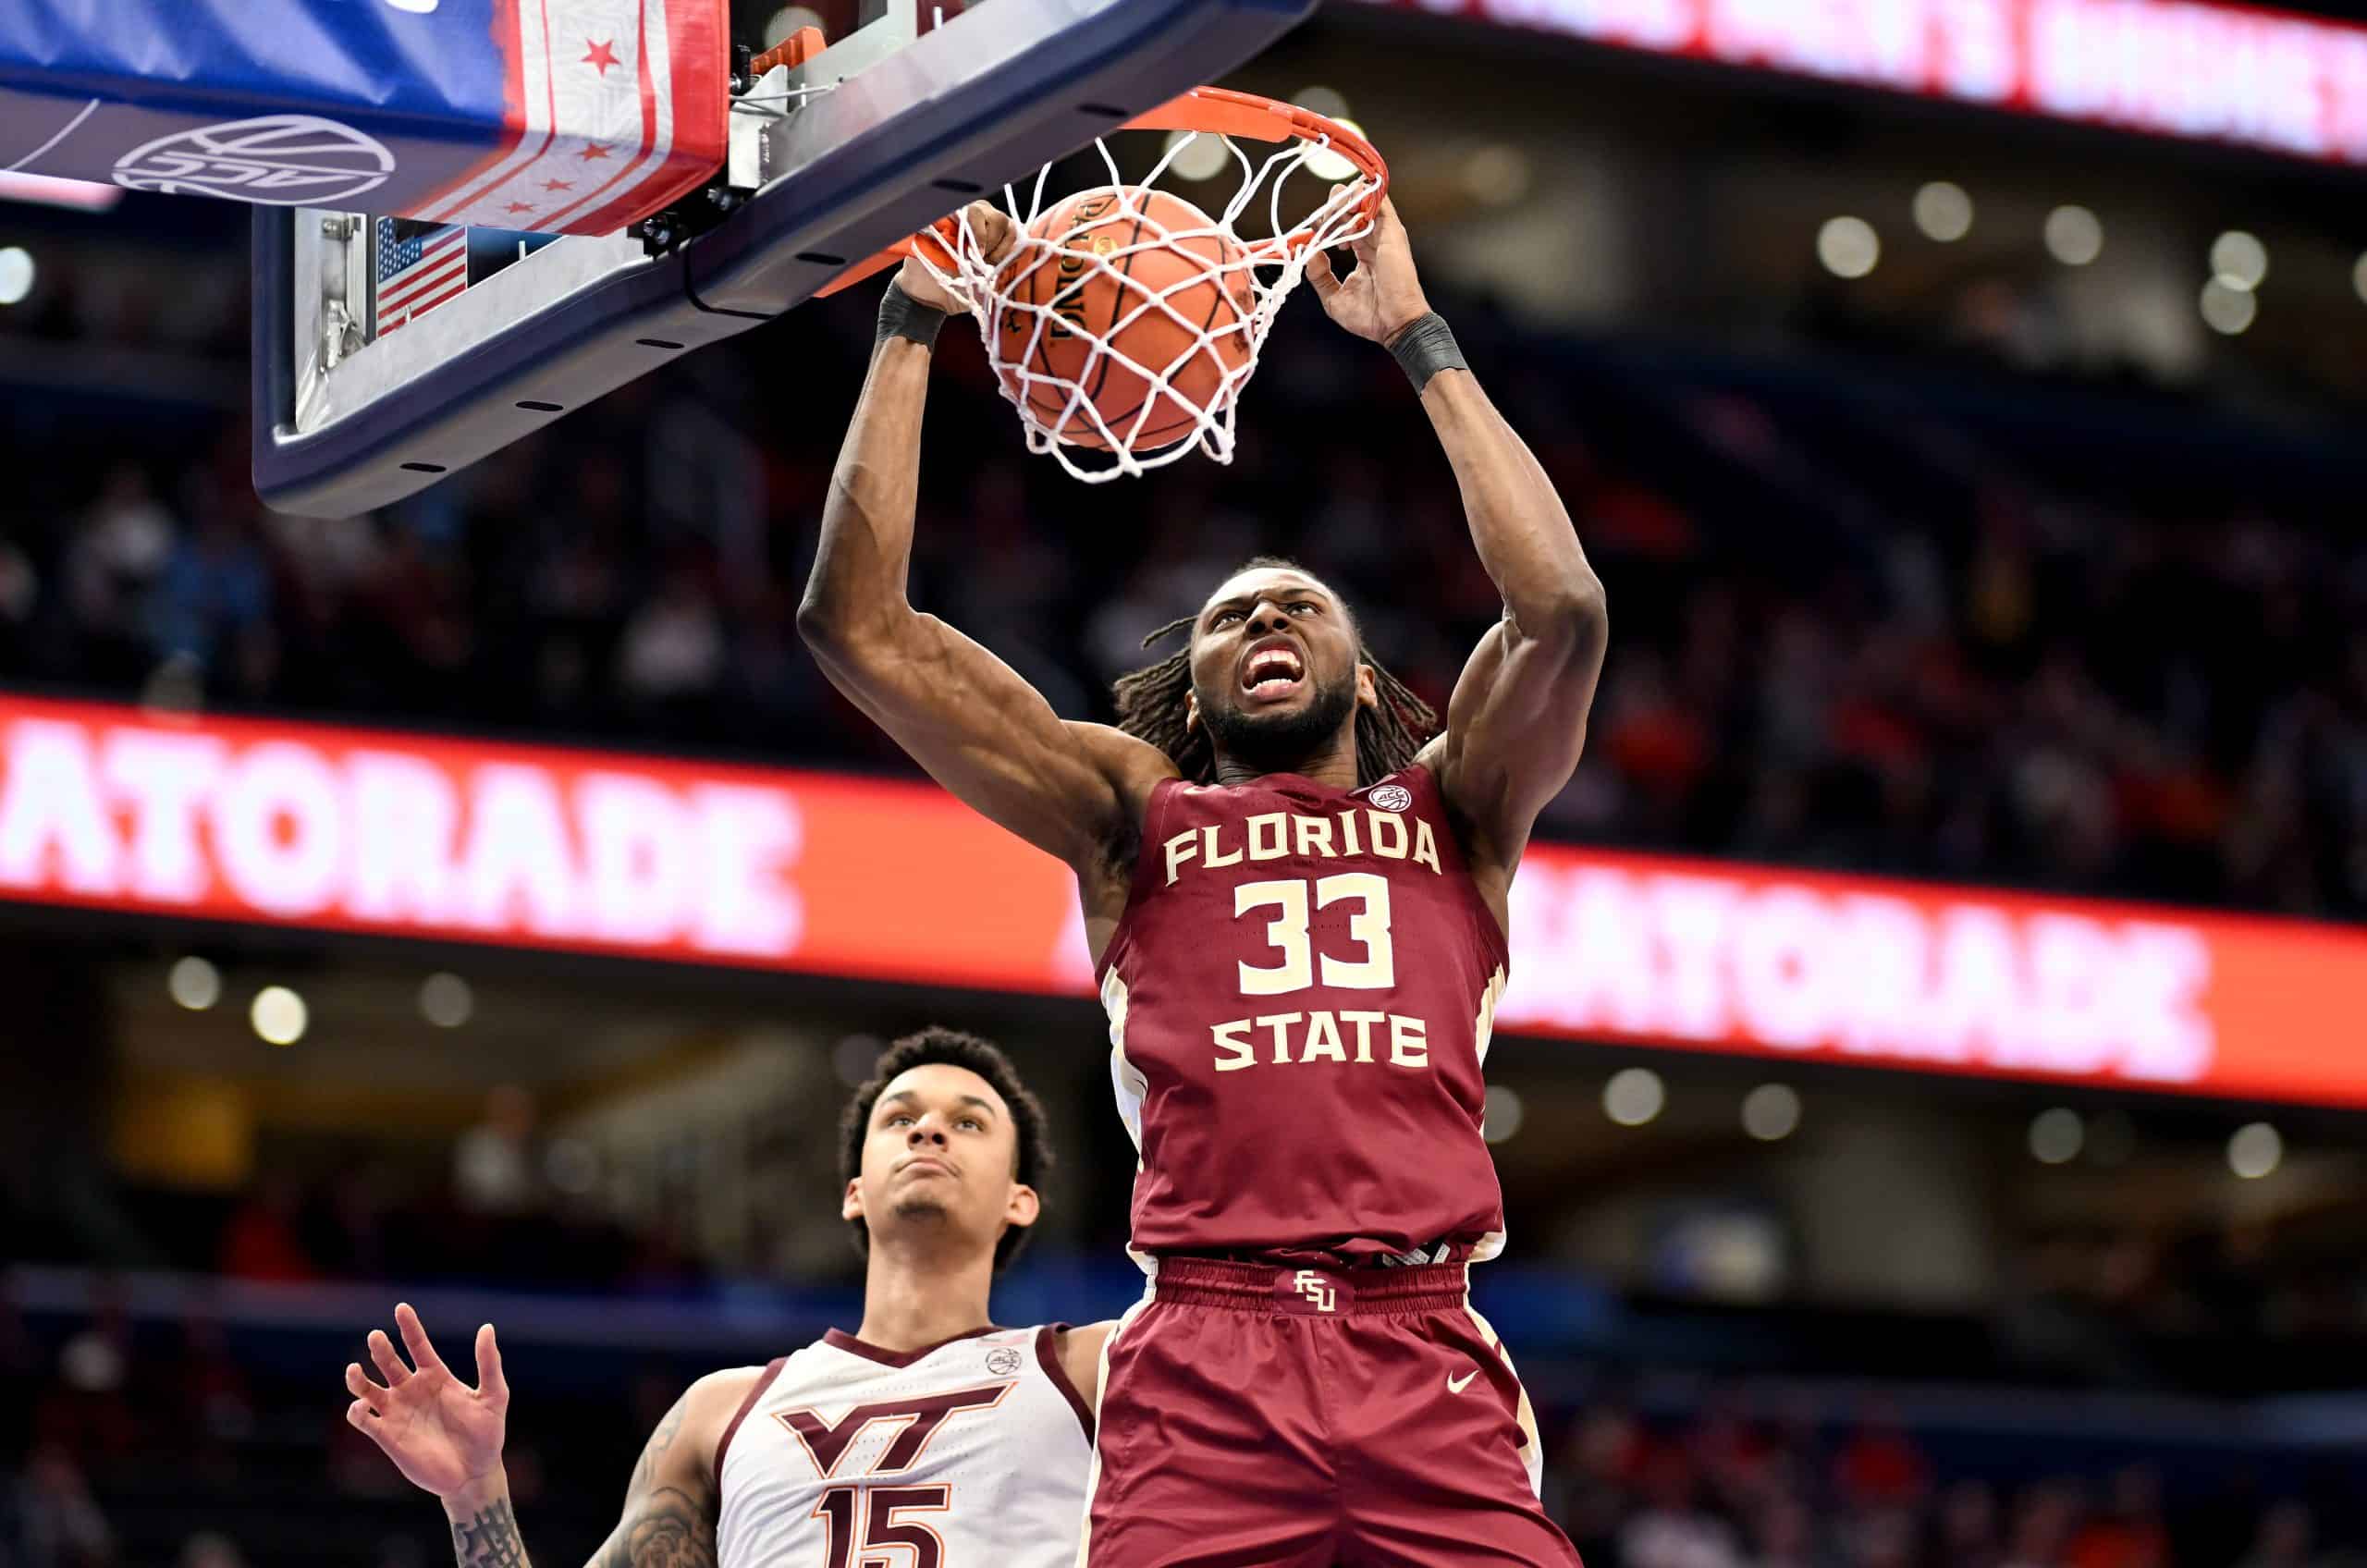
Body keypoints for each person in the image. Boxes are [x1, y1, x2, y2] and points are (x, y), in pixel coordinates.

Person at [799, 197, 1607, 1565]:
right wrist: (910, 322)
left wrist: (1416, 336)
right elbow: (857, 627)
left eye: (1302, 605)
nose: (1268, 618)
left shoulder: (1457, 807)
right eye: (1234, 614)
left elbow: (1564, 612)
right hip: (1204, 1361)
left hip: (1424, 1346)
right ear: (1198, 681)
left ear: (1367, 678)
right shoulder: (1129, 819)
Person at [338, 1028, 1108, 1568]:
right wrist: (477, 1494)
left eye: (967, 1123)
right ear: (851, 1191)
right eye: (900, 1118)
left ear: (1021, 1199)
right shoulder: (721, 1409)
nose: (928, 1133)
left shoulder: (1097, 1366)